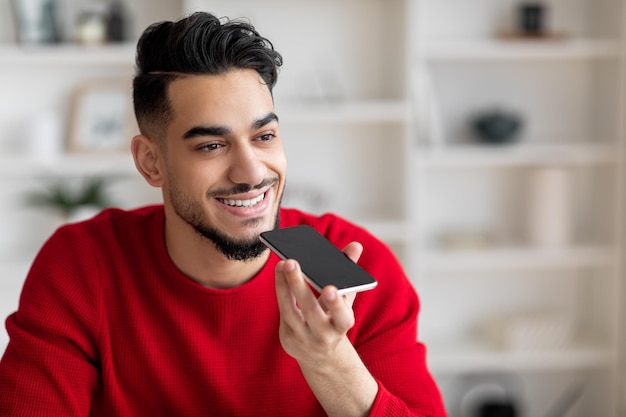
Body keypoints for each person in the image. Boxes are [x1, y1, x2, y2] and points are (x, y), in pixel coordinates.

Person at [0, 12, 446, 417]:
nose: (252, 172)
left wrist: (329, 363)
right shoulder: (82, 265)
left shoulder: (356, 265)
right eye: (211, 145)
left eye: (265, 136)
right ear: (151, 163)